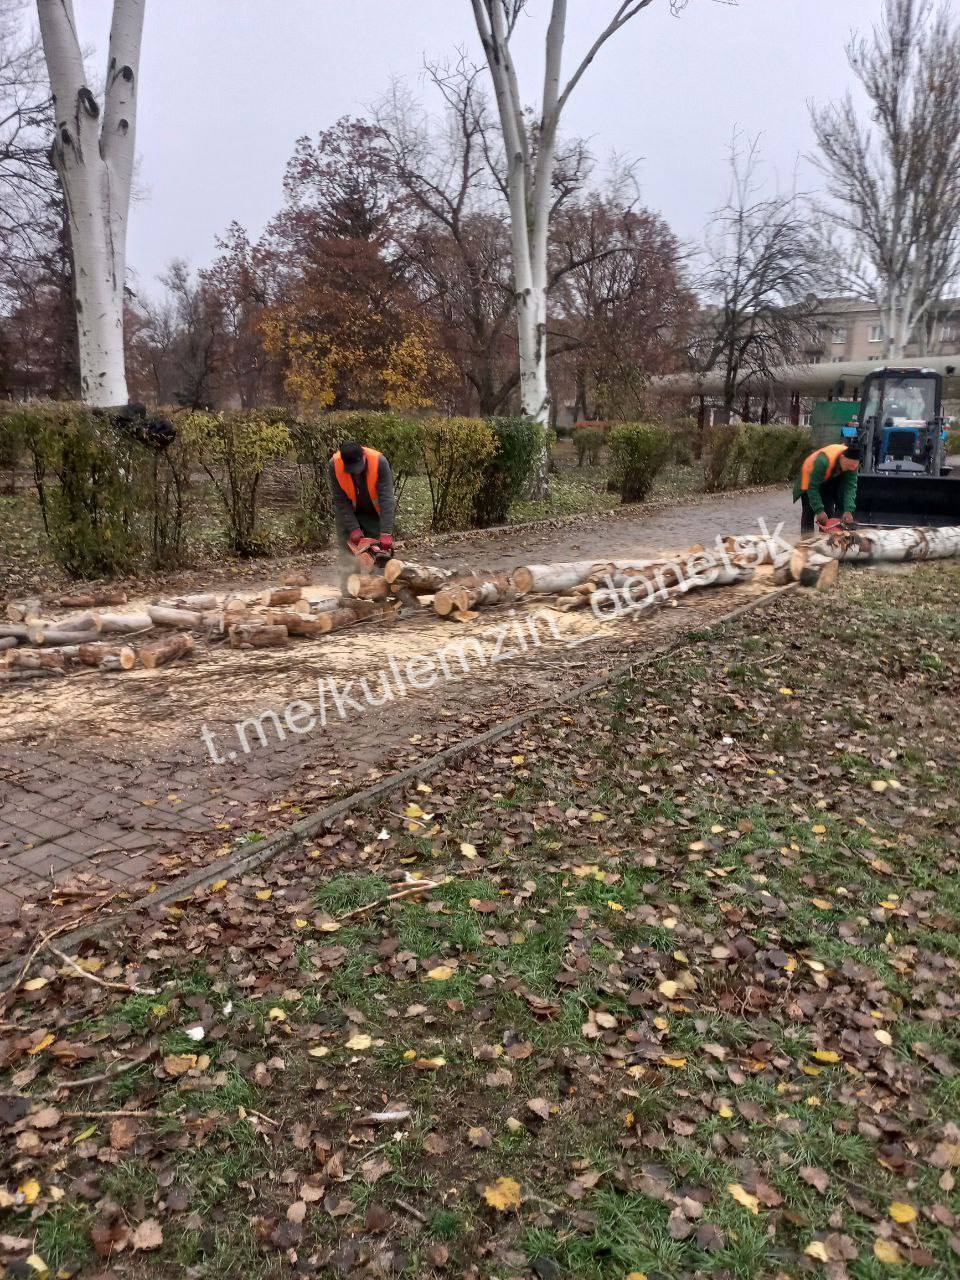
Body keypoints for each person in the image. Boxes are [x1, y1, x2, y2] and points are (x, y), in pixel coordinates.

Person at [328, 440, 396, 571]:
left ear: (363, 456)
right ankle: (348, 588)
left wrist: (386, 532)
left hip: (372, 511)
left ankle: (380, 587)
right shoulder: (334, 465)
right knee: (347, 558)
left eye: (357, 467)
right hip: (348, 512)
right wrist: (353, 527)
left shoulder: (379, 462)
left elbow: (386, 498)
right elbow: (340, 499)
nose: (355, 472)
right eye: (351, 469)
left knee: (379, 558)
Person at [794, 440, 861, 533]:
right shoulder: (822, 461)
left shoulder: (852, 465)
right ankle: (805, 541)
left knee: (829, 513)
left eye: (853, 467)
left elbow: (850, 487)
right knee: (808, 512)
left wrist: (848, 510)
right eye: (848, 466)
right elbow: (812, 488)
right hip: (809, 480)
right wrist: (819, 510)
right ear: (842, 458)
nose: (850, 469)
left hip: (828, 481)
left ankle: (826, 541)